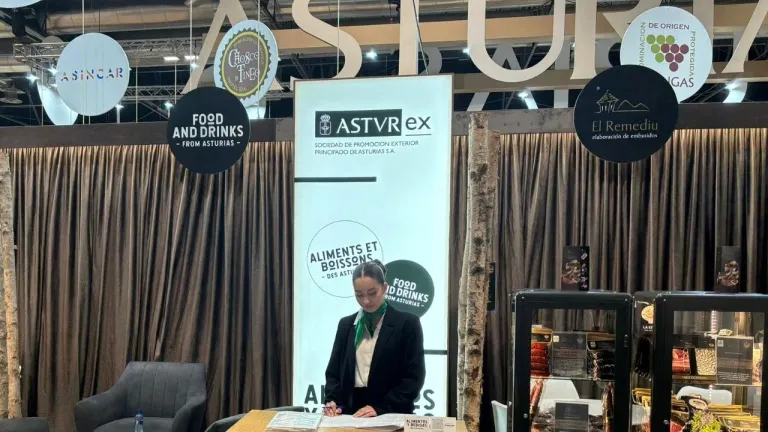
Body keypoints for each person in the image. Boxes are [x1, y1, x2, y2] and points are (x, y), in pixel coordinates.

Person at [323, 259, 426, 418]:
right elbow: (333, 373)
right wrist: (332, 401)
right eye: (359, 294)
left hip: (390, 412)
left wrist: (381, 408)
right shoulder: (346, 325)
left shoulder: (407, 324)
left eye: (372, 293)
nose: (365, 300)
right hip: (350, 414)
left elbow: (413, 378)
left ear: (384, 288)